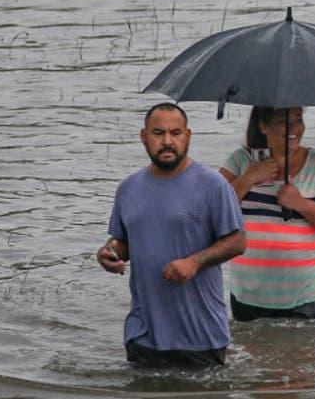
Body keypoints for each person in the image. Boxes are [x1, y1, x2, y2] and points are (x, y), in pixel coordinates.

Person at [96, 102, 246, 367]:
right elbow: (123, 243)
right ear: (144, 137)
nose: (167, 141)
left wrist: (194, 262)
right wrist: (109, 253)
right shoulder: (128, 189)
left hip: (200, 336)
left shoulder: (213, 185)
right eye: (158, 133)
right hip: (142, 335)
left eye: (175, 133)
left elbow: (237, 241)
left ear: (187, 135)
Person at [218, 106, 315, 321]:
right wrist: (248, 178)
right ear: (263, 125)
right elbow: (213, 212)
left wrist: (301, 204)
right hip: (248, 293)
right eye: (283, 121)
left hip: (306, 295)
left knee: (304, 353)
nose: (294, 128)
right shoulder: (240, 161)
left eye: (298, 119)